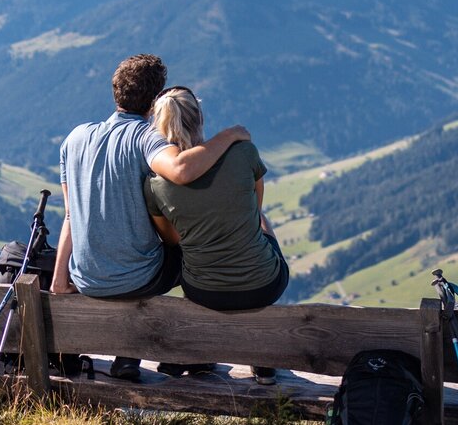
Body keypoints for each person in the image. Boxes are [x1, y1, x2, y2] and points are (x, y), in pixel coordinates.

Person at [49, 55, 250, 382]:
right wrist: (230, 135)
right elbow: (181, 169)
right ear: (156, 101)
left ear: (115, 91)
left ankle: (128, 355)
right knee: (194, 253)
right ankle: (191, 352)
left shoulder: (74, 139)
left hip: (86, 277)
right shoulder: (146, 137)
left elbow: (71, 214)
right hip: (138, 278)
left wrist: (60, 279)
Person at [144, 86, 289, 385]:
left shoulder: (154, 184)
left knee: (191, 253)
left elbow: (173, 241)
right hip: (264, 285)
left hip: (203, 291)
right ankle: (262, 359)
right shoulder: (244, 153)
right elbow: (255, 211)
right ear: (200, 119)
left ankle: (199, 355)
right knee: (263, 223)